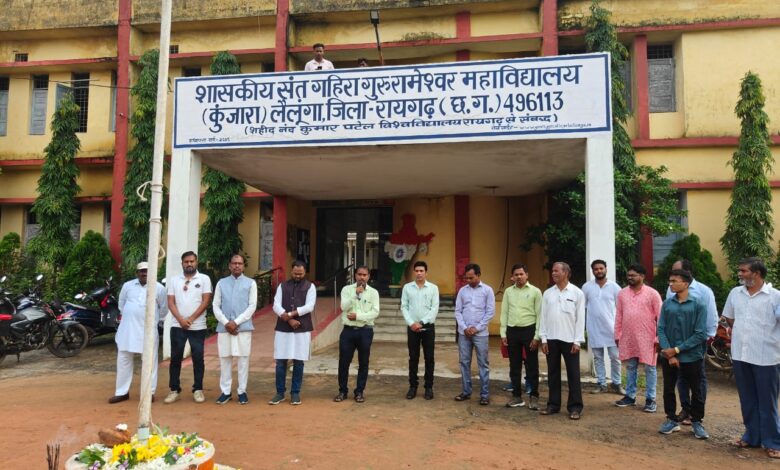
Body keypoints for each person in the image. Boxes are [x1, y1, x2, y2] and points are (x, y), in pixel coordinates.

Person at [722, 257, 780, 458]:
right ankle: (752, 436)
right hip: (741, 354)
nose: (740, 273)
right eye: (740, 270)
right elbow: (730, 318)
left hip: (766, 357)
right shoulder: (735, 293)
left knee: (767, 402)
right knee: (747, 399)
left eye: (744, 270)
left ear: (757, 274)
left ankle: (773, 442)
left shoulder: (775, 297)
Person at [664, 259, 718, 425]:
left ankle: (696, 414)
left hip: (696, 342)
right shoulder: (671, 290)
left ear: (686, 274)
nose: (672, 279)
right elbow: (667, 316)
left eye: (676, 272)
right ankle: (685, 409)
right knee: (680, 377)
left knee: (697, 379)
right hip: (675, 343)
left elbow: (711, 318)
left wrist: (706, 339)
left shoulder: (704, 291)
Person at [657, 269, 709, 439]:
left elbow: (700, 334)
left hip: (692, 356)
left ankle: (697, 421)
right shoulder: (667, 304)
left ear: (686, 283)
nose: (670, 284)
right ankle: (671, 419)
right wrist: (670, 354)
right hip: (669, 356)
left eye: (674, 281)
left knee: (696, 390)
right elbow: (661, 329)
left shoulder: (699, 304)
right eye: (670, 281)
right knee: (668, 388)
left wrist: (677, 350)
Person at [109, 262, 167, 404]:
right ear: (137, 273)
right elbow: (121, 304)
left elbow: (164, 309)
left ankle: (149, 392)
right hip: (127, 330)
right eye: (141, 271)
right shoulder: (127, 286)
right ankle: (122, 392)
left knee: (149, 362)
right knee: (123, 360)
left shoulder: (159, 288)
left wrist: (153, 320)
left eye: (147, 271)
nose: (144, 273)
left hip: (147, 331)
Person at [539, 261, 585, 420]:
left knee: (573, 374)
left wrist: (577, 341)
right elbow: (543, 317)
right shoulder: (547, 293)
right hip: (551, 338)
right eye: (552, 271)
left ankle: (575, 407)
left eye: (556, 271)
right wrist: (543, 339)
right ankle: (553, 405)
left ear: (566, 273)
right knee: (552, 373)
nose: (553, 273)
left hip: (570, 340)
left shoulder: (577, 293)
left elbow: (580, 319)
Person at [165, 251, 212, 404]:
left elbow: (205, 302)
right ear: (182, 263)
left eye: (192, 261)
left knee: (198, 358)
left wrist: (190, 319)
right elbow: (170, 302)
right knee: (175, 358)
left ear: (196, 262)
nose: (189, 264)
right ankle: (174, 389)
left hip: (197, 326)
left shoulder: (204, 279)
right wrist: (181, 320)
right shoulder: (174, 280)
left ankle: (198, 389)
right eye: (186, 262)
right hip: (177, 325)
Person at [614, 264, 662, 412]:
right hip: (628, 337)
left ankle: (650, 399)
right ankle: (630, 396)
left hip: (648, 337)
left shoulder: (652, 294)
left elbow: (661, 317)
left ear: (642, 276)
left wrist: (659, 337)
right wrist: (617, 334)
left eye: (633, 275)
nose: (630, 277)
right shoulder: (622, 294)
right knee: (630, 366)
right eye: (628, 275)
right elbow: (619, 315)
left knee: (650, 367)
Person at [270, 260, 316, 406]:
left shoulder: (310, 286)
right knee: (280, 361)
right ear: (291, 271)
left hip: (302, 328)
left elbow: (310, 306)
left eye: (300, 274)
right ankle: (280, 393)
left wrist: (291, 314)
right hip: (283, 328)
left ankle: (295, 393)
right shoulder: (282, 286)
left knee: (298, 361)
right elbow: (276, 305)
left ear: (305, 272)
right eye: (295, 273)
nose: (297, 276)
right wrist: (289, 319)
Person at [213, 254, 257, 406]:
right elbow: (215, 305)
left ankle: (242, 391)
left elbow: (252, 306)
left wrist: (236, 322)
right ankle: (225, 392)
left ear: (243, 266)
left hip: (242, 328)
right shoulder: (221, 283)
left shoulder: (251, 283)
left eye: (240, 263)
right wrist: (227, 323)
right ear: (229, 265)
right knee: (225, 359)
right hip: (224, 328)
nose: (237, 266)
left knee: (243, 360)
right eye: (234, 263)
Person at [334, 266, 380, 403]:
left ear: (368, 276)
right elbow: (343, 307)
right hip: (348, 331)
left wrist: (358, 316)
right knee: (344, 362)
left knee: (363, 362)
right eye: (359, 274)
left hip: (365, 331)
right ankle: (342, 391)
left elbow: (375, 312)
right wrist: (355, 294)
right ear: (355, 275)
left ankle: (359, 391)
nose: (362, 277)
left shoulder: (373, 293)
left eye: (364, 275)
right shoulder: (347, 290)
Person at [500, 263, 542, 410]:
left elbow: (540, 315)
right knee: (514, 366)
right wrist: (503, 333)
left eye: (521, 274)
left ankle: (534, 397)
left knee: (532, 365)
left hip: (529, 331)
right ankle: (517, 397)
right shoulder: (508, 292)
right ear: (512, 276)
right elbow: (504, 312)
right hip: (512, 331)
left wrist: (537, 336)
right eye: (516, 274)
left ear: (527, 275)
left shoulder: (535, 292)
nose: (519, 277)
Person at [454, 263, 495, 406]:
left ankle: (484, 395)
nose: (468, 280)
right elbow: (458, 311)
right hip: (464, 333)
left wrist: (476, 328)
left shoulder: (488, 290)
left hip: (481, 334)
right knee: (464, 363)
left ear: (478, 275)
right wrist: (464, 327)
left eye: (471, 278)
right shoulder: (462, 291)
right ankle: (466, 392)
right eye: (466, 278)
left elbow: (490, 312)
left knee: (483, 364)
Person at [581, 259, 623, 395]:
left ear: (606, 269)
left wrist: (620, 328)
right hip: (594, 328)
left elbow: (621, 308)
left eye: (601, 268)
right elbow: (582, 307)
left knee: (615, 357)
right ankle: (601, 383)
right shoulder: (587, 287)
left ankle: (617, 383)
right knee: (598, 357)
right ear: (592, 271)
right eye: (596, 269)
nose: (599, 271)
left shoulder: (615, 287)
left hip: (612, 328)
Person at [401, 260, 439, 400]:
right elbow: (404, 307)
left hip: (428, 328)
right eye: (416, 271)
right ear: (414, 272)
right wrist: (412, 323)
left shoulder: (433, 288)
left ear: (426, 272)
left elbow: (434, 308)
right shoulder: (407, 288)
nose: (419, 273)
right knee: (413, 358)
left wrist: (421, 322)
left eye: (421, 271)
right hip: (412, 328)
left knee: (429, 358)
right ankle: (413, 387)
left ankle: (428, 387)